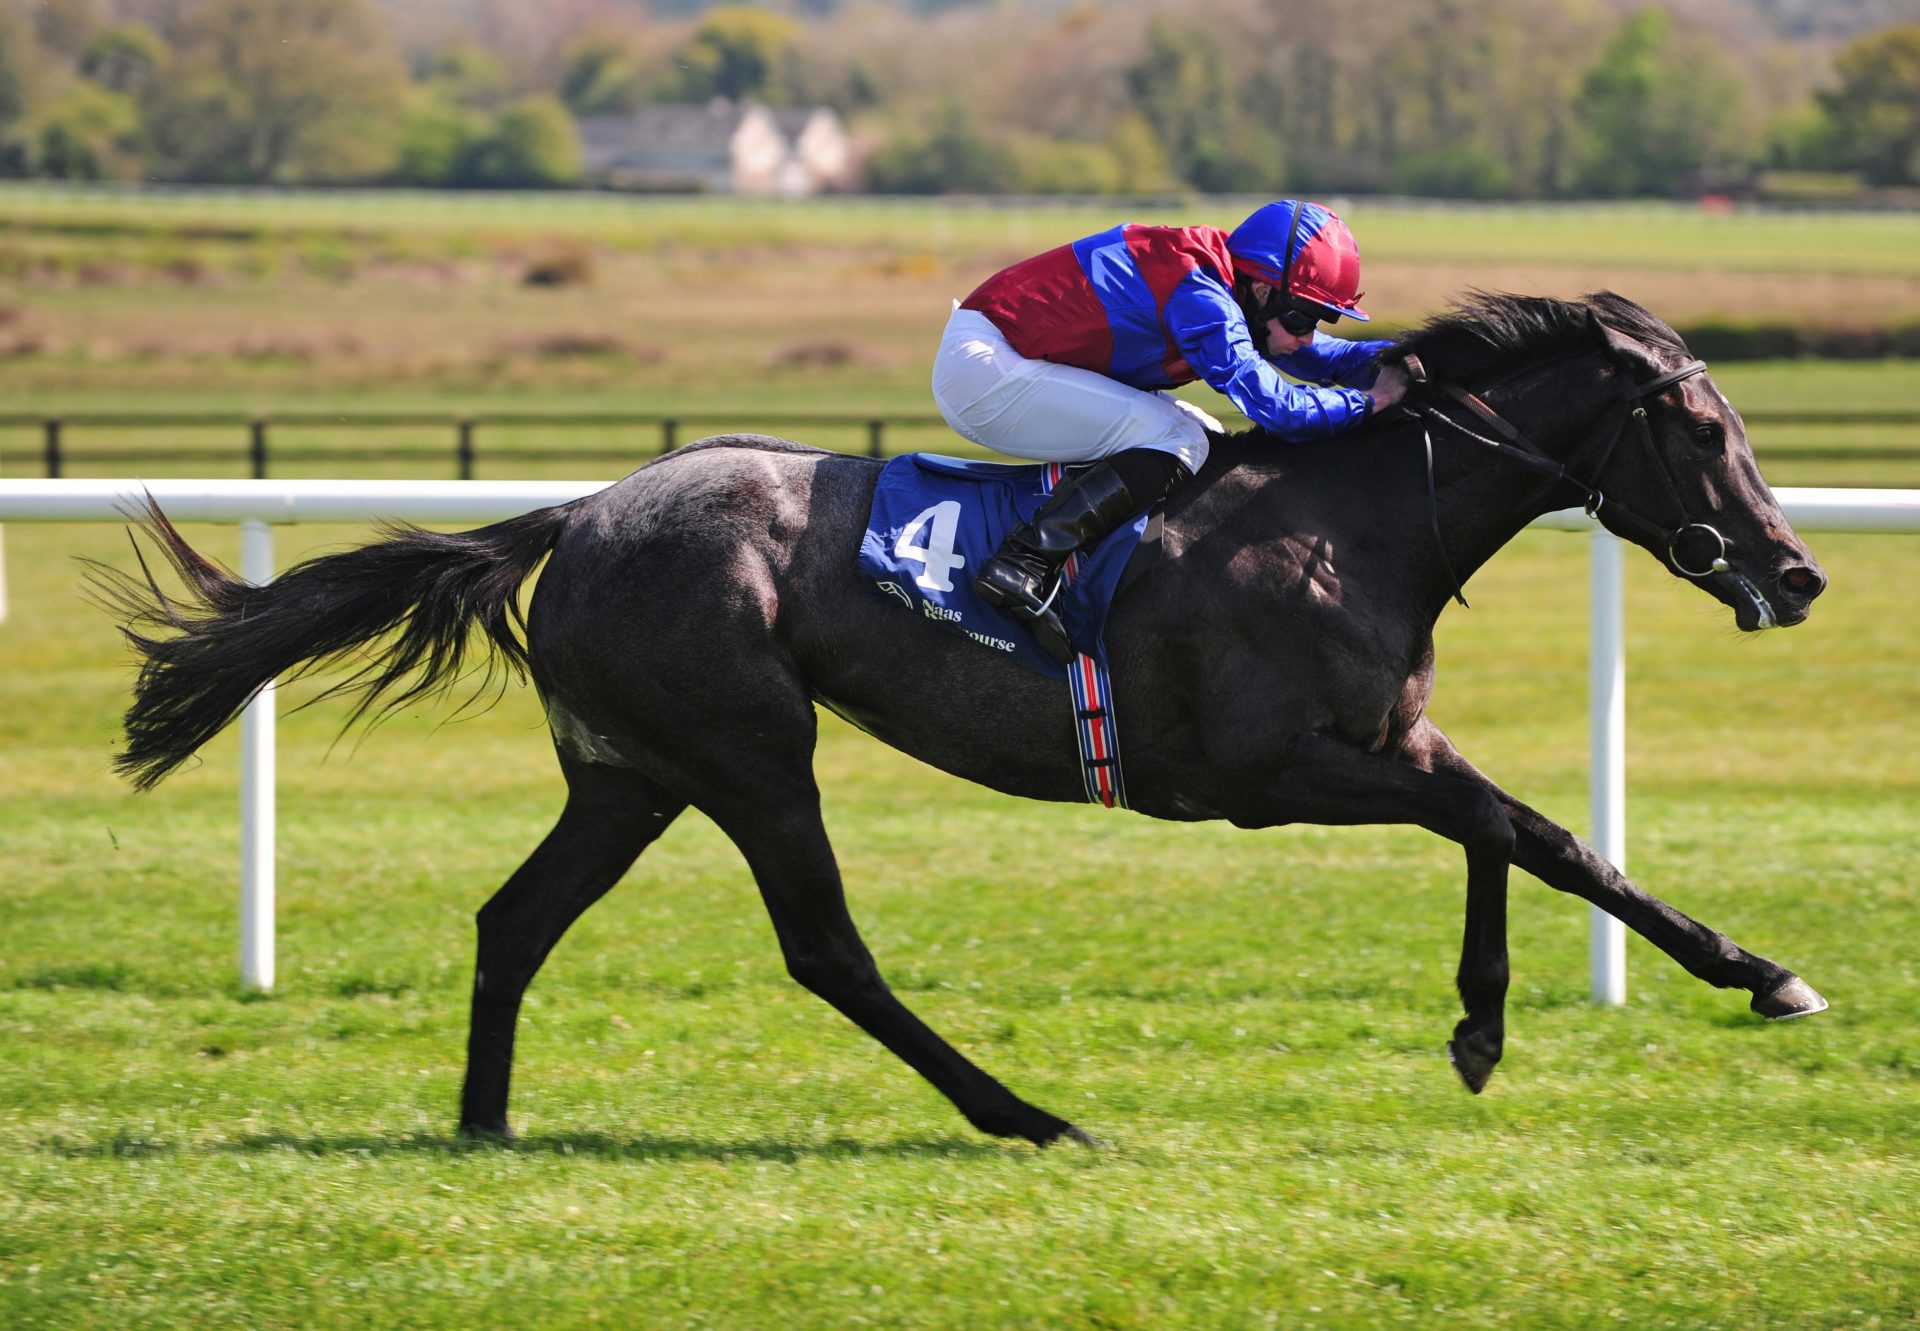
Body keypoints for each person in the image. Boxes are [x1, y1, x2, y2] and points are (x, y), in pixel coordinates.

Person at [931, 199, 1409, 663]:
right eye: (1303, 317)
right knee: (1180, 439)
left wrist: (1410, 355)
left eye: (1321, 318)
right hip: (985, 368)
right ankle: (1025, 562)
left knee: (1205, 433)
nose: (1307, 334)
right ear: (1263, 292)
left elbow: (1315, 354)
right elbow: (1278, 409)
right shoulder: (1200, 295)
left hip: (1009, 353)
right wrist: (1371, 401)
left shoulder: (1230, 278)